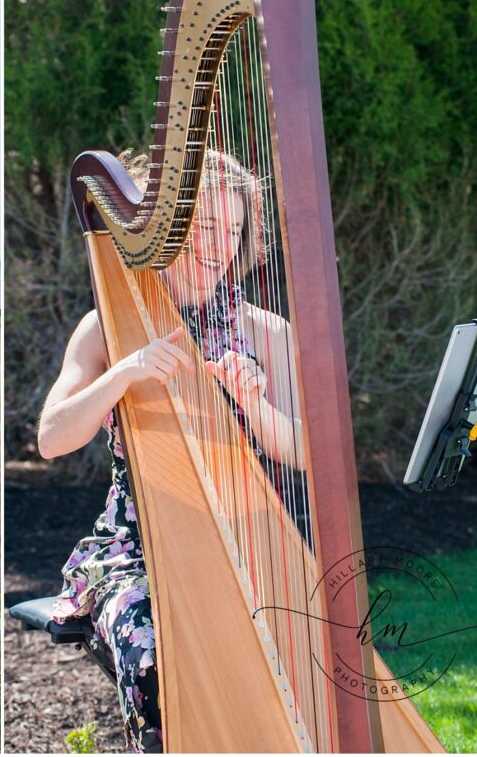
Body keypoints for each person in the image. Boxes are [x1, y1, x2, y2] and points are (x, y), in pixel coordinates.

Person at [37, 150, 303, 753]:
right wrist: (122, 374)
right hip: (133, 555)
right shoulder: (104, 327)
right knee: (164, 663)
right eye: (205, 227)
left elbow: (304, 455)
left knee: (307, 657)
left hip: (248, 545)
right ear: (168, 229)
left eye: (232, 231)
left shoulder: (267, 333)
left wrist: (255, 404)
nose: (218, 246)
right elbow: (51, 440)